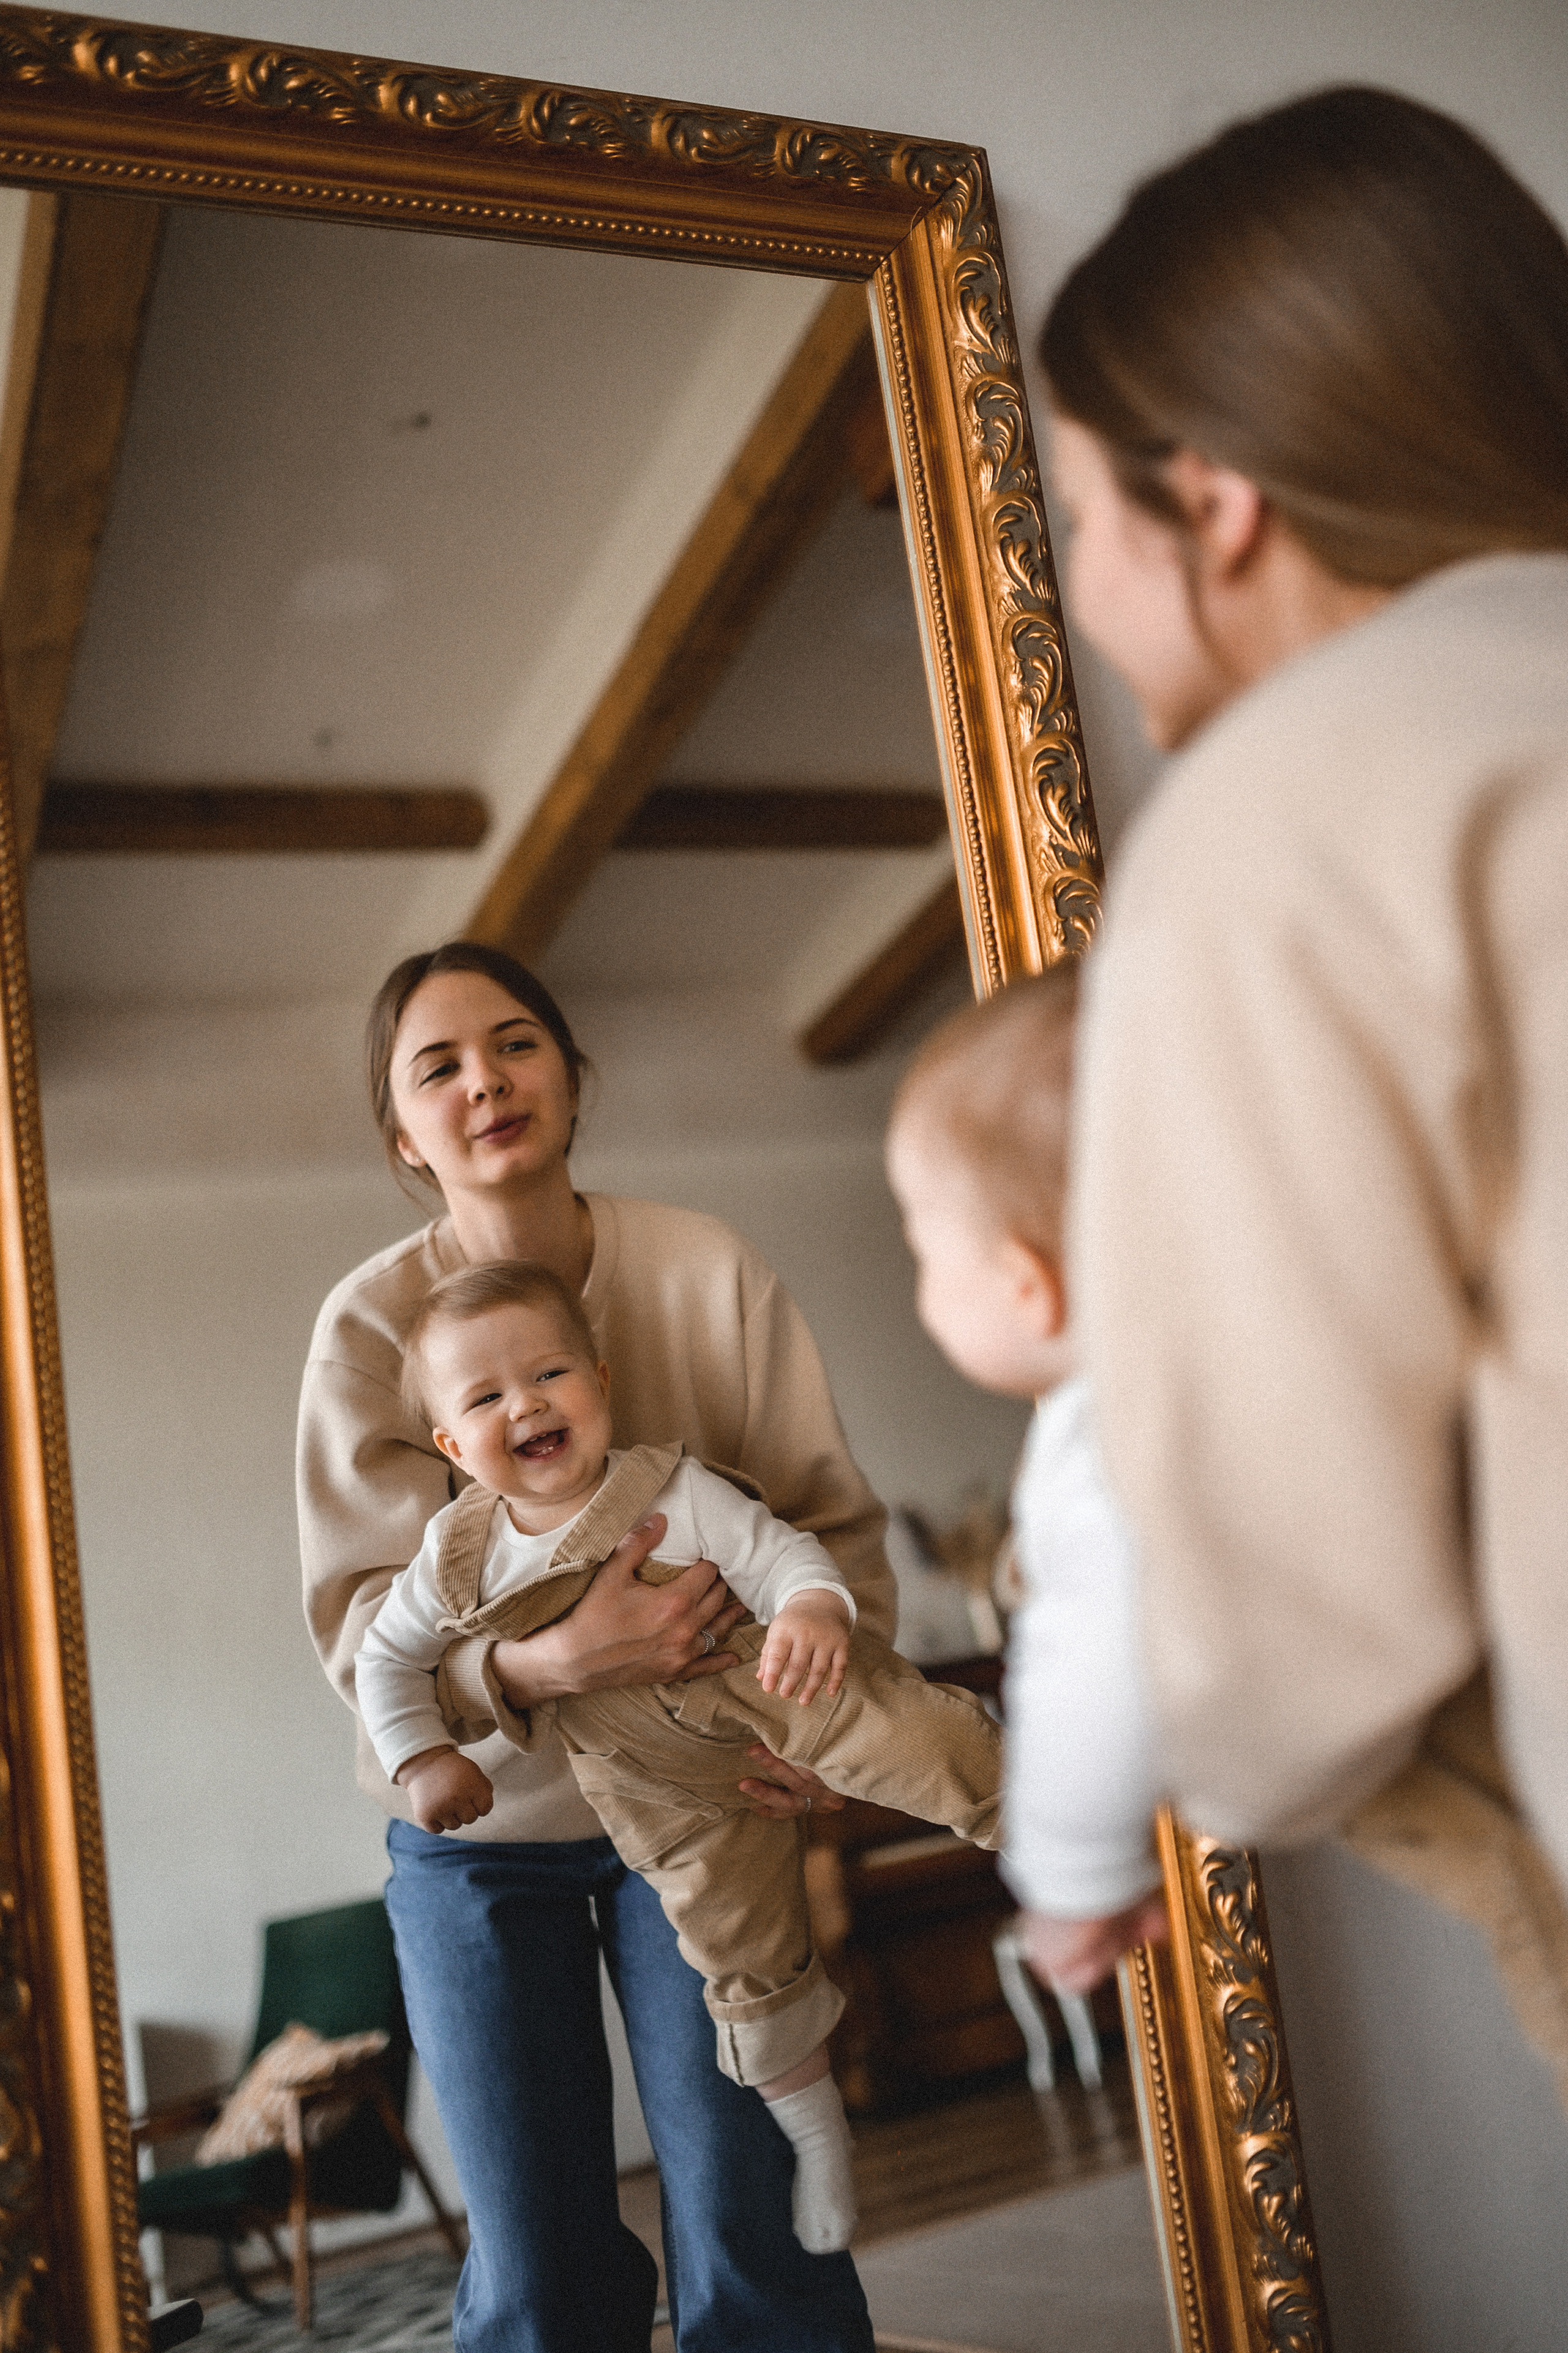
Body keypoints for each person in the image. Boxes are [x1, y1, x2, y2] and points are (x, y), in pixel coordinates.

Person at [1033, 87, 1568, 1924]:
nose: (1085, 580)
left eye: (1084, 506)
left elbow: (1296, 1593)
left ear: (1216, 498)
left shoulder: (1288, 809)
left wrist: (1182, 1774)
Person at [298, 939, 888, 2353]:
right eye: (435, 1066)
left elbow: (830, 1524)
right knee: (538, 2271)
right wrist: (552, 1667)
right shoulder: (367, 1329)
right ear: (400, 1132)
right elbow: (358, 1632)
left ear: (570, 1075)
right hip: (478, 1840)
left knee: (753, 2226)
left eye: (513, 1043)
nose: (483, 1081)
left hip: (704, 1805)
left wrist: (829, 1736)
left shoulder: (704, 1267)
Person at [355, 1259, 1002, 2254]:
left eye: (549, 1375)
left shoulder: (670, 1489)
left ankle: (1046, 1824)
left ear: (601, 1382)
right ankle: (813, 2123)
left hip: (763, 1685)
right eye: (486, 1397)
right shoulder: (457, 1556)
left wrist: (814, 1608)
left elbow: (782, 1553)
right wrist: (422, 1758)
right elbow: (385, 1660)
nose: (525, 1403)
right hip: (652, 1787)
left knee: (913, 1731)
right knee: (741, 1959)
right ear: (450, 1442)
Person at [883, 971, 1167, 1995]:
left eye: (921, 1244)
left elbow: (1095, 1663)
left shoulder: (1103, 1439)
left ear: (1024, 1283)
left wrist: (1077, 1880)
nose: (920, 1286)